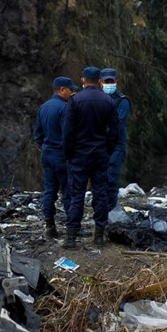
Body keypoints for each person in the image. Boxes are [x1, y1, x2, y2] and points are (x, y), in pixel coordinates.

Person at [62, 67, 119, 248]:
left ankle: (71, 238)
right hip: (100, 153)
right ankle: (99, 236)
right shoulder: (108, 101)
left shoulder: (75, 100)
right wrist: (107, 149)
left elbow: (68, 131)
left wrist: (68, 152)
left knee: (77, 194)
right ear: (99, 80)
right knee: (100, 193)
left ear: (83, 80)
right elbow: (115, 131)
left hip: (79, 154)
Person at [34, 76, 78, 239]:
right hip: (62, 156)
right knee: (68, 191)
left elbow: (37, 134)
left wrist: (45, 147)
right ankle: (70, 229)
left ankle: (49, 226)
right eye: (71, 90)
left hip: (47, 155)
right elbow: (68, 135)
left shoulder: (43, 107)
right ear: (62, 90)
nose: (73, 93)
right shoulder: (64, 109)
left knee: (50, 190)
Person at [100, 68, 131, 212]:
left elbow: (118, 123)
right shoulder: (97, 99)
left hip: (115, 144)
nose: (108, 84)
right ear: (100, 82)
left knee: (111, 178)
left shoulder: (122, 101)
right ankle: (100, 210)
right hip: (99, 144)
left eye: (111, 81)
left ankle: (109, 211)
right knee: (99, 178)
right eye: (106, 81)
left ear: (116, 81)